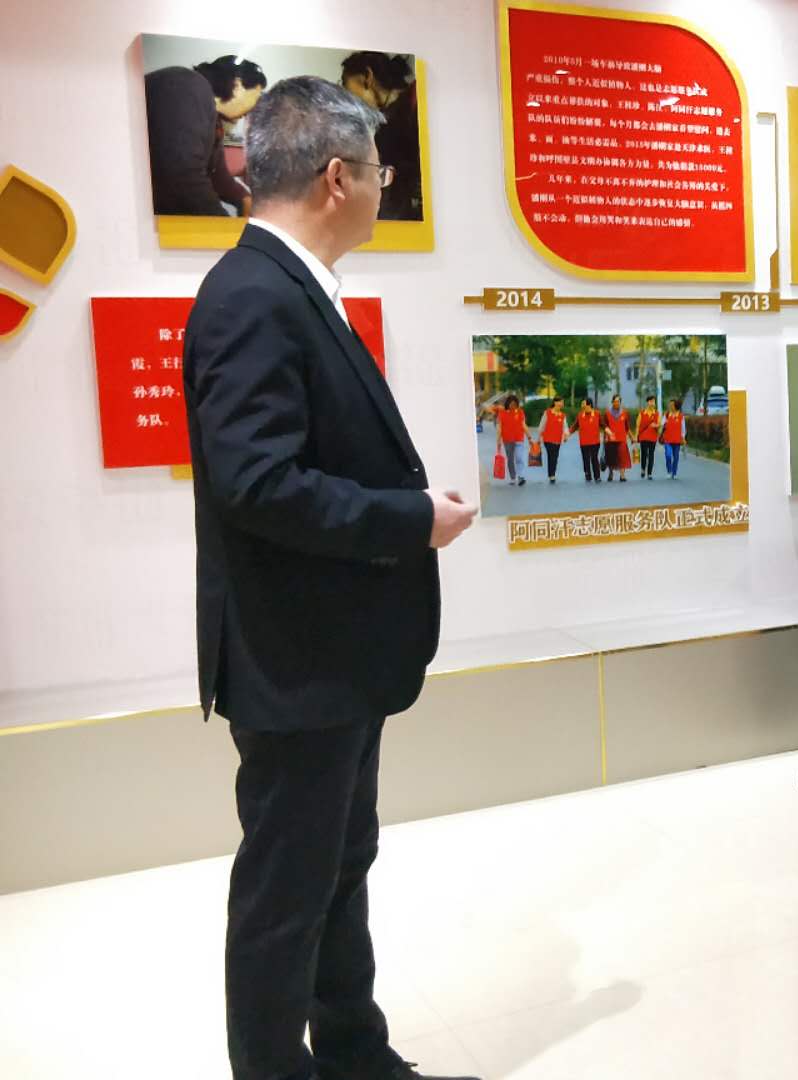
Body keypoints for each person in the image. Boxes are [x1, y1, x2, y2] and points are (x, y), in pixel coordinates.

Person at [181, 75, 479, 1080]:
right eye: (381, 172)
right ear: (339, 176)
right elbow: (256, 483)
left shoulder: (288, 287)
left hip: (330, 655)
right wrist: (410, 520)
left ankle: (355, 1056)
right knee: (287, 893)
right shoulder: (254, 296)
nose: (386, 189)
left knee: (338, 868)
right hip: (295, 660)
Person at [145, 57, 266, 217]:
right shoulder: (186, 85)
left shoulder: (213, 120)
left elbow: (218, 177)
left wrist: (243, 197)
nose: (254, 107)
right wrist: (222, 224)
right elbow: (183, 176)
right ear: (238, 85)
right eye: (256, 96)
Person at [339, 51, 422, 222]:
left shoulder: (418, 99)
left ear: (368, 77)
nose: (353, 104)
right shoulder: (391, 121)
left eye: (349, 90)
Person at [495, 394, 528, 487]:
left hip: (519, 439)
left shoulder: (520, 412)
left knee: (519, 457)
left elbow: (523, 425)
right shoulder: (502, 413)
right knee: (510, 459)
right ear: (508, 403)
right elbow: (499, 428)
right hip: (507, 439)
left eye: (515, 404)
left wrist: (529, 437)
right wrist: (498, 440)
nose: (513, 406)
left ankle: (521, 477)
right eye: (511, 404)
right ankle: (513, 477)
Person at [603, 394, 631, 482]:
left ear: (620, 402)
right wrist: (605, 437)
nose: (616, 403)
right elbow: (605, 426)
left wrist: (632, 437)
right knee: (611, 457)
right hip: (611, 438)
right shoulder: (607, 413)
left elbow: (627, 427)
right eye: (615, 401)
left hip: (622, 438)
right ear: (612, 402)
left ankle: (622, 475)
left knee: (622, 456)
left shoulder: (625, 413)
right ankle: (610, 473)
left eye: (618, 401)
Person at [540, 396, 567, 484]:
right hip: (547, 439)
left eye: (562, 402)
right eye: (560, 402)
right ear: (555, 402)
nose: (561, 404)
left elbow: (565, 427)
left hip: (557, 440)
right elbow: (542, 425)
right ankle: (552, 475)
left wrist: (566, 435)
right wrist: (539, 438)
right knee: (552, 456)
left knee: (554, 457)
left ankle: (551, 473)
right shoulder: (547, 412)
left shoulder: (562, 415)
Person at [574, 398, 602, 483]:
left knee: (594, 458)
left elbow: (603, 424)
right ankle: (587, 475)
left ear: (589, 405)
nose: (582, 405)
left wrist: (609, 432)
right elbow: (575, 426)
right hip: (584, 442)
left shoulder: (597, 414)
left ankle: (597, 476)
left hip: (595, 441)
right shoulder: (580, 415)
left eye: (583, 404)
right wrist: (568, 433)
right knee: (585, 459)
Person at [635, 395, 661, 480]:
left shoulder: (657, 413)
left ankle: (649, 473)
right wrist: (636, 436)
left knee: (651, 455)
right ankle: (643, 469)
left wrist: (656, 425)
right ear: (647, 402)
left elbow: (659, 424)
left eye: (653, 401)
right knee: (644, 453)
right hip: (643, 437)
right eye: (650, 401)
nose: (652, 403)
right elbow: (638, 425)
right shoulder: (642, 413)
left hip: (653, 437)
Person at [663, 398, 685, 478]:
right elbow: (662, 425)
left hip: (677, 440)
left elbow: (683, 428)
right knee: (668, 455)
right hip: (667, 440)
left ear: (676, 406)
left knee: (676, 457)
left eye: (672, 405)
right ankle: (669, 471)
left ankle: (674, 472)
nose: (670, 406)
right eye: (670, 405)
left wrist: (683, 438)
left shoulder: (681, 416)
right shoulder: (666, 415)